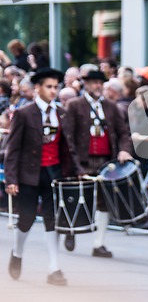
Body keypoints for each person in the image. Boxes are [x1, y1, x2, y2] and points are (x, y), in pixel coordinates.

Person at [4, 68, 83, 286]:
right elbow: (12, 149)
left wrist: (77, 171)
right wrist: (11, 179)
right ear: (38, 88)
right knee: (26, 219)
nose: (53, 91)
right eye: (49, 86)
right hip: (29, 174)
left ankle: (54, 268)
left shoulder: (61, 113)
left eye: (56, 87)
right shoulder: (24, 113)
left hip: (54, 174)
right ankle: (17, 253)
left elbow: (69, 147)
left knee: (53, 219)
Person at [65, 70, 133, 257]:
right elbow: (68, 136)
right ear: (85, 84)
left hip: (106, 161)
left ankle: (99, 243)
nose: (97, 86)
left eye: (99, 83)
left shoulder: (112, 107)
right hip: (83, 159)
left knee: (104, 202)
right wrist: (74, 163)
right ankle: (70, 229)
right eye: (93, 82)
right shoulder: (74, 105)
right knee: (77, 197)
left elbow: (123, 133)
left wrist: (124, 149)